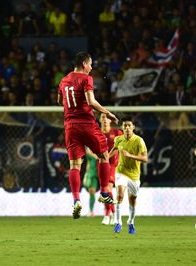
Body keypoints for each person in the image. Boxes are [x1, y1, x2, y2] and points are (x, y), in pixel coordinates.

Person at [57, 51, 118, 219]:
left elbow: (59, 99)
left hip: (70, 126)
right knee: (104, 155)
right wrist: (108, 113)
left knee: (75, 165)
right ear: (84, 63)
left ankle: (76, 200)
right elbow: (91, 102)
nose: (91, 67)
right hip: (86, 123)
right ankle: (105, 191)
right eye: (90, 64)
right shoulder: (86, 79)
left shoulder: (63, 80)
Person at [109, 117, 148, 234]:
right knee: (120, 195)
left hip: (134, 176)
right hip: (121, 172)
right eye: (125, 125)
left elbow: (145, 159)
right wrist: (105, 158)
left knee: (132, 200)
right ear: (122, 127)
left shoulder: (139, 141)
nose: (126, 128)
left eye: (129, 126)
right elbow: (114, 150)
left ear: (133, 127)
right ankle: (118, 222)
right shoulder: (118, 139)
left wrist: (130, 155)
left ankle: (130, 222)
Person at [99, 113, 122, 225]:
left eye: (107, 117)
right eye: (102, 117)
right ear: (99, 120)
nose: (105, 119)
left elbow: (118, 148)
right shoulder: (96, 133)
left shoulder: (117, 133)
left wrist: (107, 156)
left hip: (113, 164)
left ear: (110, 120)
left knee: (108, 189)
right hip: (102, 164)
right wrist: (99, 157)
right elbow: (89, 149)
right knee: (104, 190)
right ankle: (113, 213)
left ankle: (107, 215)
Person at [83, 148, 99, 217]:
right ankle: (91, 211)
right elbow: (87, 150)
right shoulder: (90, 155)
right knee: (91, 192)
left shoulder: (100, 155)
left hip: (97, 175)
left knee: (106, 192)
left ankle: (108, 211)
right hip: (90, 175)